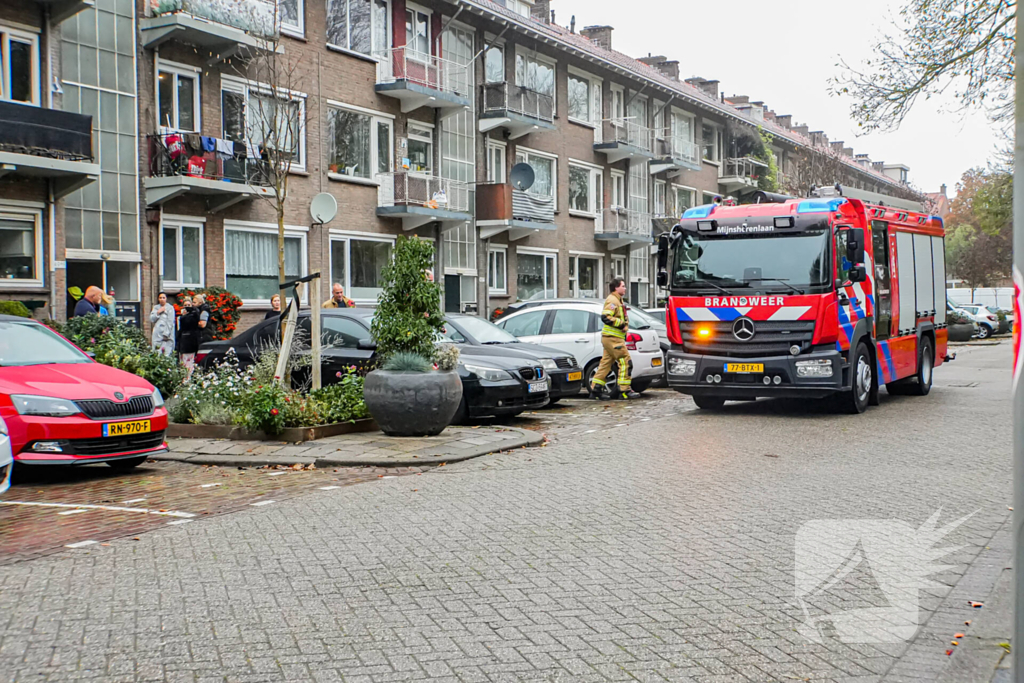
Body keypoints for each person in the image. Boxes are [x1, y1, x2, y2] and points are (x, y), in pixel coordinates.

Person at [589, 278, 640, 400]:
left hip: (611, 338)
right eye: (623, 286)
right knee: (626, 361)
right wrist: (621, 324)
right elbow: (606, 317)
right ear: (616, 288)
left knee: (605, 364)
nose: (625, 288)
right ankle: (624, 390)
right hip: (613, 338)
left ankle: (595, 390)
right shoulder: (612, 300)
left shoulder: (618, 300)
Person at [177, 296, 202, 379]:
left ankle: (189, 378)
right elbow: (180, 329)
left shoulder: (194, 314)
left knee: (190, 362)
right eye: (185, 305)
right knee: (183, 362)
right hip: (183, 341)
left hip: (191, 342)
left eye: (189, 305)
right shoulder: (180, 317)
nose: (187, 307)